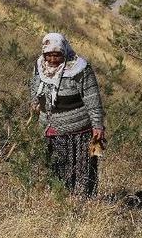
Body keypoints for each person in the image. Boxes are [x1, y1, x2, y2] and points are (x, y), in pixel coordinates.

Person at [31, 32, 106, 197]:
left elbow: (92, 98)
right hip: (50, 127)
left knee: (82, 168)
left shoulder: (80, 68)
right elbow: (35, 86)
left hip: (78, 129)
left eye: (57, 54)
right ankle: (57, 198)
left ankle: (82, 201)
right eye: (48, 55)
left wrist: (97, 125)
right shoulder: (40, 65)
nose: (52, 59)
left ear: (64, 51)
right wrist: (35, 103)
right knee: (54, 166)